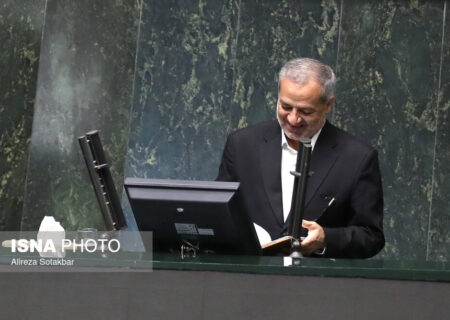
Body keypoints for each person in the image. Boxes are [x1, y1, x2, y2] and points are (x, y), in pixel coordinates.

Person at [217, 58, 384, 258]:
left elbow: (371, 236)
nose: (293, 119)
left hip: (312, 284)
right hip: (246, 280)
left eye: (305, 111)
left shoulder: (358, 158)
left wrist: (325, 240)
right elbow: (220, 213)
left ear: (328, 105)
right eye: (285, 107)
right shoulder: (241, 144)